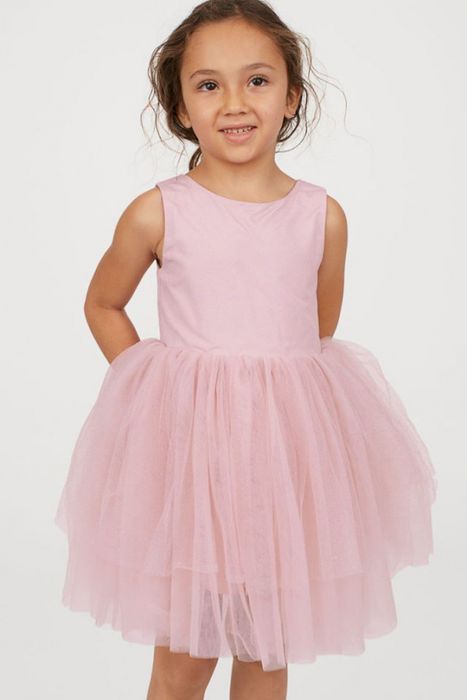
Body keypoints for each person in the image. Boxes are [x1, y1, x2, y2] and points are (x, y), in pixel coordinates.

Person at [54, 1, 438, 699]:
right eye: (208, 85)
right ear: (180, 107)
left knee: (268, 644)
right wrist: (152, 389)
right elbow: (102, 303)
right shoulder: (158, 210)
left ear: (291, 95)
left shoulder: (321, 216)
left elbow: (314, 331)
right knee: (186, 650)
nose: (234, 102)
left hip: (283, 470)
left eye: (257, 80)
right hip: (192, 464)